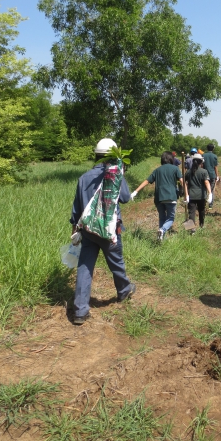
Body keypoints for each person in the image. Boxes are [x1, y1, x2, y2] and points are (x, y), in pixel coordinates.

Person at [70, 138, 136, 325]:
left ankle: (80, 311)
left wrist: (74, 228)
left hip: (88, 231)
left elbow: (76, 208)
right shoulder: (115, 175)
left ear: (97, 156)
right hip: (109, 230)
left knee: (84, 267)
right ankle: (124, 290)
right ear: (114, 156)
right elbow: (125, 198)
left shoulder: (84, 178)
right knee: (116, 262)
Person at [132, 151, 182, 241]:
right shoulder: (175, 169)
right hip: (171, 197)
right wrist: (187, 194)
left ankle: (161, 238)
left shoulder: (157, 170)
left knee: (162, 217)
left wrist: (135, 191)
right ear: (172, 159)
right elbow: (182, 181)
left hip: (159, 198)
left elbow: (147, 181)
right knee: (170, 218)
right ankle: (162, 230)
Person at [184, 153, 212, 233]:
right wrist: (210, 193)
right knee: (201, 210)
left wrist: (186, 194)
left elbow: (184, 183)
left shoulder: (188, 172)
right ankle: (201, 224)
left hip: (191, 195)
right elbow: (206, 182)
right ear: (201, 162)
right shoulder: (204, 171)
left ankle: (191, 229)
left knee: (191, 212)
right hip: (201, 195)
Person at [203, 143, 219, 209]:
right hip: (212, 175)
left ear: (207, 148)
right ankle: (210, 205)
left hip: (204, 175)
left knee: (204, 189)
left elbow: (201, 165)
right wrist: (217, 175)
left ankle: (203, 203)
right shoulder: (214, 156)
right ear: (213, 149)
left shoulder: (203, 155)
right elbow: (215, 167)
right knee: (211, 190)